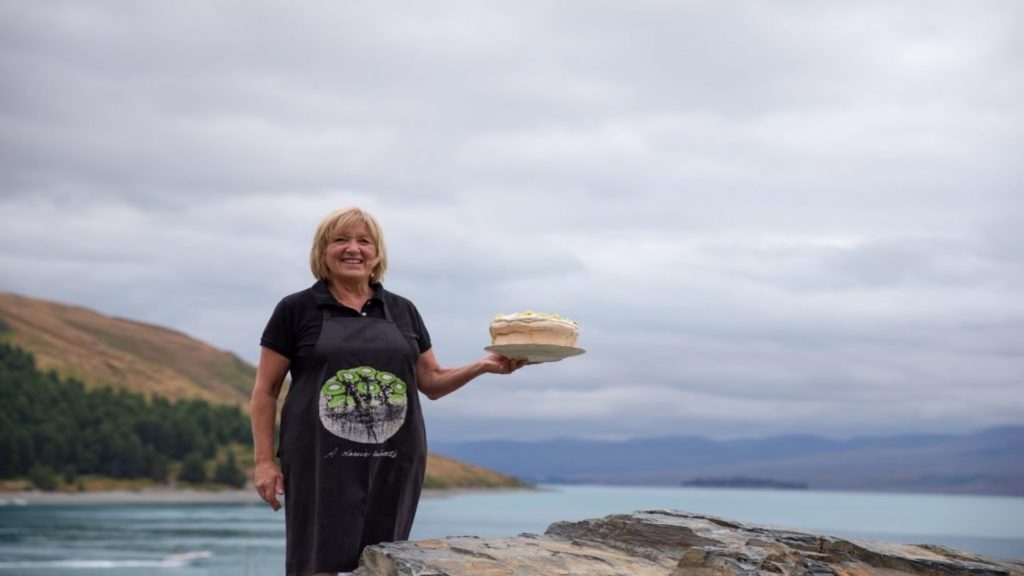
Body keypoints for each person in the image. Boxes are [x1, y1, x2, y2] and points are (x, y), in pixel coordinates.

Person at [251, 207, 526, 576]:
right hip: (320, 461)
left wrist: (483, 365)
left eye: (364, 241)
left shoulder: (402, 310)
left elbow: (431, 381)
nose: (353, 249)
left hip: (394, 458)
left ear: (377, 253)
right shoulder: (295, 309)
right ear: (322, 250)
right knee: (317, 563)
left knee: (385, 564)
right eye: (341, 240)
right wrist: (264, 463)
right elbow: (265, 392)